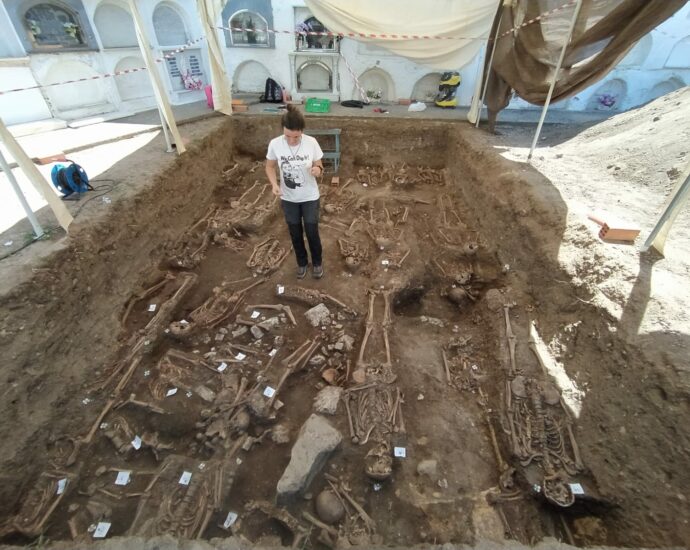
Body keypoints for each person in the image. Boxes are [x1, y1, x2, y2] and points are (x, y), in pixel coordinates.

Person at [266, 105, 325, 279]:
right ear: (283, 131)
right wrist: (273, 184)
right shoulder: (275, 144)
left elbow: (319, 163)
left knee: (311, 229)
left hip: (310, 196)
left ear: (302, 131)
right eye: (288, 136)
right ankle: (301, 262)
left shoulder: (311, 142)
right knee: (294, 230)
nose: (292, 140)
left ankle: (317, 262)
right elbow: (269, 166)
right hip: (289, 197)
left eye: (296, 137)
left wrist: (317, 169)